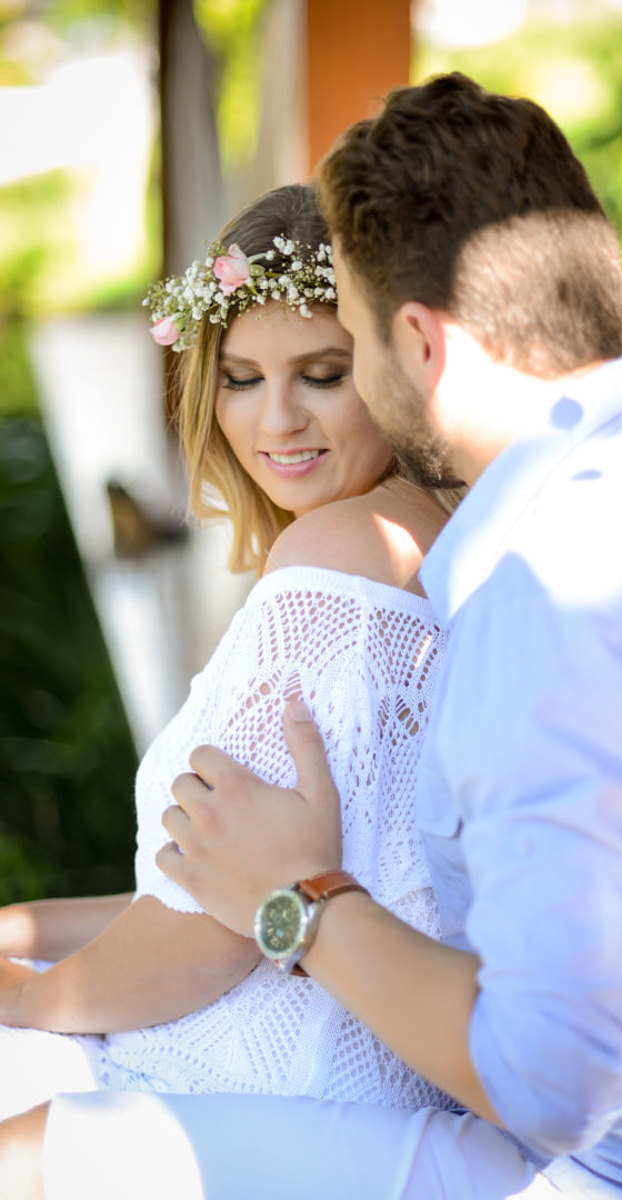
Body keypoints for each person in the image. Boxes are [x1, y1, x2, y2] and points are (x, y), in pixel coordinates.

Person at [146, 72, 622, 1199]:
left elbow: (553, 1082)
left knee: (39, 1147)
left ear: (416, 342)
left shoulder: (552, 591)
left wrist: (300, 898)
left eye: (341, 339)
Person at [0, 181, 541, 1198]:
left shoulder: (339, 552)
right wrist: (27, 930)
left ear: (395, 366)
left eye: (322, 374)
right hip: (355, 1056)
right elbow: (225, 879)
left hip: (277, 1085)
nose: (275, 418)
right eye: (241, 376)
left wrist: (33, 1001)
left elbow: (212, 938)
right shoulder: (423, 536)